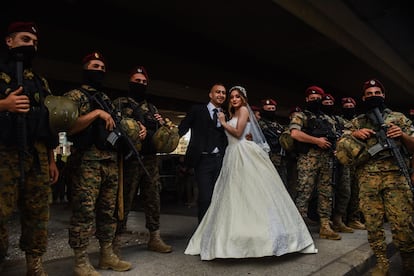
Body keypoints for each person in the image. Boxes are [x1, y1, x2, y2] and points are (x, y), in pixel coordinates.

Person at [184, 85, 317, 260]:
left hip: (242, 154)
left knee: (252, 193)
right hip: (231, 154)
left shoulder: (244, 110)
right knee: (233, 196)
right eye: (231, 97)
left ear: (243, 99)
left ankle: (261, 238)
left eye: (237, 96)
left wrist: (223, 122)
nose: (233, 99)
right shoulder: (232, 113)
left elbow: (238, 133)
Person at [0, 21, 60, 276]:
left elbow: (47, 124)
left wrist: (51, 159)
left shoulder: (39, 81)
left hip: (35, 155)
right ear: (9, 41)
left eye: (34, 43)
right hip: (4, 154)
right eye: (25, 40)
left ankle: (34, 265)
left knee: (37, 214)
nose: (31, 46)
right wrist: (4, 104)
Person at [64, 52, 132, 275]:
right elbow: (70, 127)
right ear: (85, 68)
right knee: (84, 211)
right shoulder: (74, 96)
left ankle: (106, 255)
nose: (100, 71)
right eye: (95, 66)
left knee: (108, 212)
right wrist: (95, 113)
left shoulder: (106, 98)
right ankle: (81, 261)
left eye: (103, 67)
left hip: (110, 162)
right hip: (87, 163)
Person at [342, 79, 414, 275]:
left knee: (403, 223)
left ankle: (408, 261)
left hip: (396, 178)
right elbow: (342, 147)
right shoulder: (357, 122)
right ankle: (382, 263)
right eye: (369, 94)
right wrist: (355, 134)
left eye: (377, 93)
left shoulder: (399, 118)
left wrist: (403, 136)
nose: (373, 96)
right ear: (363, 98)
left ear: (384, 95)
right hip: (368, 179)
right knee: (373, 225)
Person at [112, 65, 172, 254]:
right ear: (130, 81)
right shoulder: (120, 104)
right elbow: (113, 130)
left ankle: (154, 237)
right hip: (129, 160)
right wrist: (135, 133)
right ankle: (116, 240)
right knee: (124, 199)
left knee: (153, 198)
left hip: (149, 159)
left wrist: (159, 129)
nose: (141, 84)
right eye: (137, 81)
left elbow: (158, 135)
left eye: (144, 82)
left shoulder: (151, 107)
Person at [289, 86, 341, 240]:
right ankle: (297, 227)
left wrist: (338, 149)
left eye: (318, 98)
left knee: (326, 193)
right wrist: (316, 141)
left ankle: (325, 225)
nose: (315, 101)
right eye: (312, 99)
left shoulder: (328, 119)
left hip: (327, 159)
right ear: (306, 100)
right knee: (303, 192)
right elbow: (295, 133)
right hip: (308, 159)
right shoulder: (301, 115)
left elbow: (336, 137)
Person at [178, 83, 228, 223]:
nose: (221, 95)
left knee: (219, 197)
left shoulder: (226, 114)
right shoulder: (197, 110)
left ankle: (216, 228)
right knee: (205, 197)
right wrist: (170, 139)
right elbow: (183, 127)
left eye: (224, 93)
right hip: (203, 160)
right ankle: (203, 230)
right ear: (211, 95)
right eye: (218, 92)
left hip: (220, 160)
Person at [320, 94, 354, 234]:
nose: (328, 104)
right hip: (326, 158)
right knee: (326, 192)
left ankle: (338, 220)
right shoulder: (319, 119)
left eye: (330, 102)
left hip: (342, 158)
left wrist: (341, 145)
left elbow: (352, 131)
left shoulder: (339, 120)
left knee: (345, 190)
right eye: (325, 102)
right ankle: (324, 222)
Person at [339, 97, 365, 230]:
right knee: (345, 190)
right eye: (346, 105)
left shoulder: (360, 120)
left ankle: (354, 218)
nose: (349, 107)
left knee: (357, 190)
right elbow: (338, 134)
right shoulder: (339, 120)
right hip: (345, 160)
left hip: (359, 159)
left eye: (351, 105)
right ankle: (341, 219)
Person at [258, 98, 288, 186]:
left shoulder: (278, 125)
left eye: (272, 109)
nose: (271, 111)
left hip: (280, 158)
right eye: (268, 109)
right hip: (267, 158)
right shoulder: (260, 124)